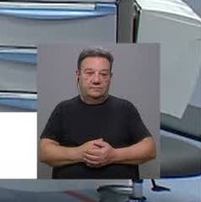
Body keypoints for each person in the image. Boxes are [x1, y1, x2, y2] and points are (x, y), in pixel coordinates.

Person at [39, 47, 157, 180]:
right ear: (78, 75)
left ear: (110, 77)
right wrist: (80, 153)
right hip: (70, 189)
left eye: (103, 74)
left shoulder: (125, 108)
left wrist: (113, 155)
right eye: (89, 73)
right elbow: (44, 152)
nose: (96, 80)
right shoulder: (63, 109)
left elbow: (149, 149)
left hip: (118, 189)